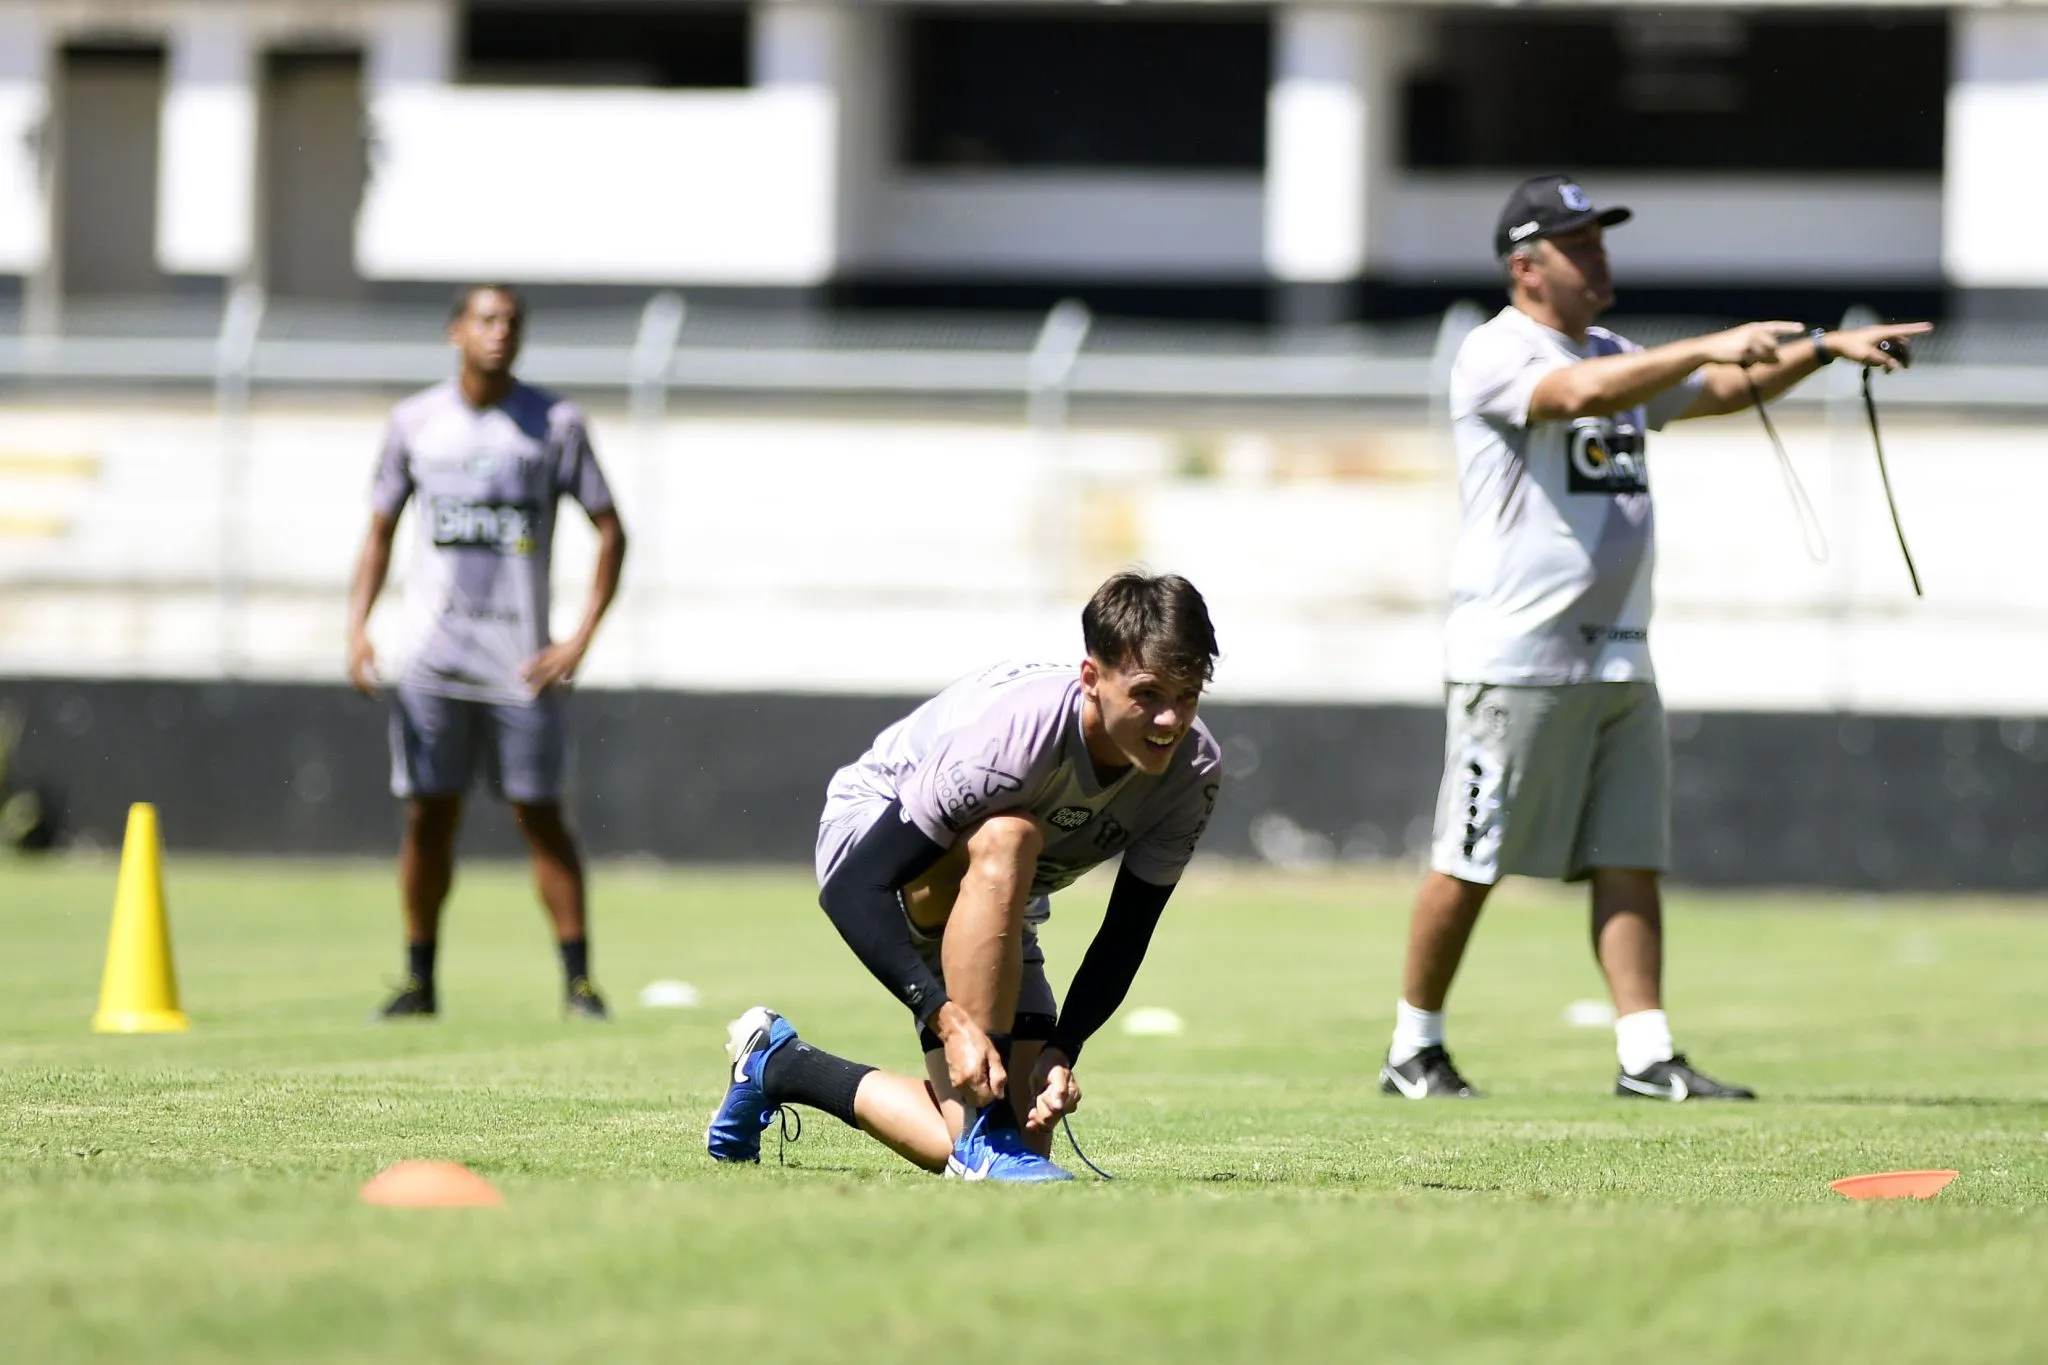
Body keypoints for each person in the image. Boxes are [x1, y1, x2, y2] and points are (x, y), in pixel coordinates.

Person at [1380, 174, 1930, 1102]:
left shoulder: (1614, 349)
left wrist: (1824, 350)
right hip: (1517, 658)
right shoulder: (1495, 351)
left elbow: (1716, 388)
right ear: (1527, 266)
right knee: (1469, 854)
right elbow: (1578, 394)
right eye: (1579, 244)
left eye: (1601, 240)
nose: (1599, 257)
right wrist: (1705, 343)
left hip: (1621, 649)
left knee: (1630, 853)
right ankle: (1412, 1047)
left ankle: (1646, 1055)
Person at [706, 572, 1223, 1181]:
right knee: (1010, 835)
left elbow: (1127, 931)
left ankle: (779, 1065)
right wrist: (946, 1019)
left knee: (1025, 1141)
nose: (1170, 719)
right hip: (878, 834)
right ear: (1092, 679)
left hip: (996, 888)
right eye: (1148, 694)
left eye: (1188, 696)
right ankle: (983, 1134)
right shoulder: (1017, 736)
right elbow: (852, 885)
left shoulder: (1192, 771)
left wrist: (1062, 1050)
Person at [345, 284, 628, 1021]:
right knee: (428, 819)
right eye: (486, 319)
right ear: (455, 332)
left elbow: (611, 528)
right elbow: (378, 530)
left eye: (512, 322)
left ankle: (579, 982)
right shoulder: (415, 423)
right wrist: (357, 626)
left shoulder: (554, 424)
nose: (500, 332)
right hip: (433, 664)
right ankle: (418, 978)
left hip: (520, 667)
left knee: (540, 816)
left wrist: (579, 635)